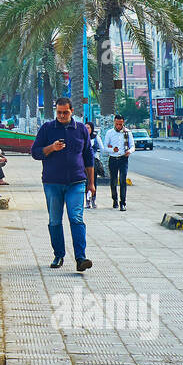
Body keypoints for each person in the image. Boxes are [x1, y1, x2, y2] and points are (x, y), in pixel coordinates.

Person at [30, 98, 95, 272]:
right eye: (58, 112)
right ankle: (59, 254)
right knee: (54, 220)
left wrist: (92, 183)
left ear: (72, 111)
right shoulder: (47, 129)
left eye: (65, 112)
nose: (61, 115)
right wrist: (51, 148)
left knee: (76, 218)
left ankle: (81, 258)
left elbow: (89, 156)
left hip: (77, 182)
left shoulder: (81, 129)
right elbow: (35, 153)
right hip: (52, 182)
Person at [104, 113, 134, 211]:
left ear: (123, 123)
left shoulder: (127, 132)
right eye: (117, 124)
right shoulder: (109, 133)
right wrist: (113, 149)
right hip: (113, 159)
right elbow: (105, 147)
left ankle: (123, 203)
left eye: (120, 124)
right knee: (113, 181)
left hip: (123, 159)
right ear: (114, 122)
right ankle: (115, 200)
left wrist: (129, 151)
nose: (118, 126)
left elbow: (133, 146)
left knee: (122, 180)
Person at [85, 122, 105, 208]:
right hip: (83, 162)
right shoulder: (82, 137)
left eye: (88, 128)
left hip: (93, 162)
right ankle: (87, 201)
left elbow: (102, 149)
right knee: (85, 182)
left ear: (92, 128)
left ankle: (93, 199)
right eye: (85, 128)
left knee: (93, 182)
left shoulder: (96, 137)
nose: (87, 129)